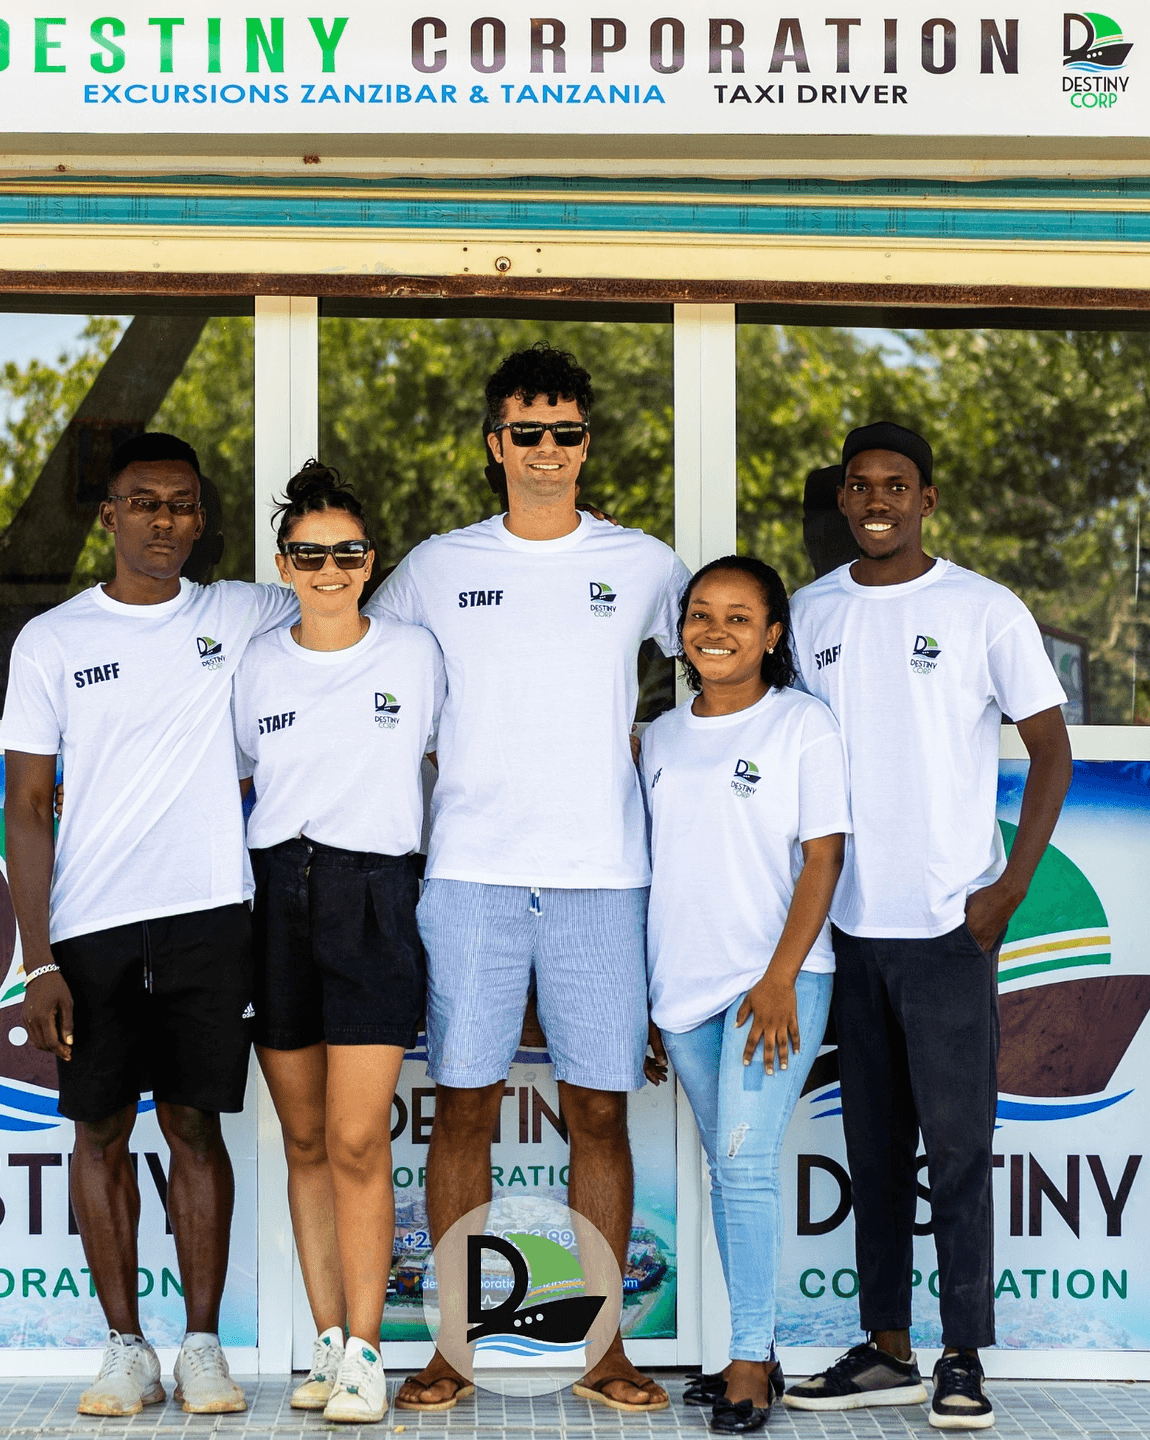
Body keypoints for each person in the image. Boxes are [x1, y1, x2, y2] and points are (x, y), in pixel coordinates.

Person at [367, 342, 690, 1415]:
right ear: (495, 443)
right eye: (528, 432)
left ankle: (603, 1353)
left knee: (598, 1115)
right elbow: (376, 688)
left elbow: (711, 680)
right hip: (472, 874)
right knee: (461, 1111)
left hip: (605, 875)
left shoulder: (646, 564)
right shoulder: (433, 568)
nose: (549, 451)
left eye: (568, 432)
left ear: (587, 443)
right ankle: (451, 1350)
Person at [1, 432, 299, 1418]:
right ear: (108, 517)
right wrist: (37, 961)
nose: (162, 520)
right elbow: (27, 806)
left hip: (212, 916)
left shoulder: (240, 613)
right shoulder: (52, 641)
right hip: (91, 928)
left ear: (202, 519)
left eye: (180, 504)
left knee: (193, 1127)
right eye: (142, 502)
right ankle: (125, 1348)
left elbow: (341, 598)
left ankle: (202, 1348)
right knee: (97, 1131)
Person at [782, 422, 1072, 1430]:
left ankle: (962, 1356)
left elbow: (1051, 752)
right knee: (871, 1151)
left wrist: (1009, 891)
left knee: (955, 1149)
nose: (877, 500)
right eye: (860, 485)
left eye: (895, 486)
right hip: (846, 930)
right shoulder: (810, 611)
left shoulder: (982, 608)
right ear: (844, 500)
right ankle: (886, 1348)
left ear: (926, 500)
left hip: (950, 928)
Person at [233, 463, 445, 1425]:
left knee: (361, 1140)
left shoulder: (415, 654)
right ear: (285, 565)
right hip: (276, 895)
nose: (329, 567)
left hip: (374, 896)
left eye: (347, 552)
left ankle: (368, 1354)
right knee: (306, 1138)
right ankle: (327, 1345)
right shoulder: (259, 663)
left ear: (371, 561)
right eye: (310, 553)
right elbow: (240, 776)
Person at [643, 556, 849, 1435]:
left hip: (776, 982)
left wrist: (777, 977)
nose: (714, 630)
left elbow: (824, 857)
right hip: (681, 993)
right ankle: (754, 1354)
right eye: (699, 614)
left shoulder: (802, 725)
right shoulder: (659, 734)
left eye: (737, 616)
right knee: (731, 1178)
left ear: (772, 635)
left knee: (743, 1164)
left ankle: (746, 1362)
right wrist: (654, 1003)